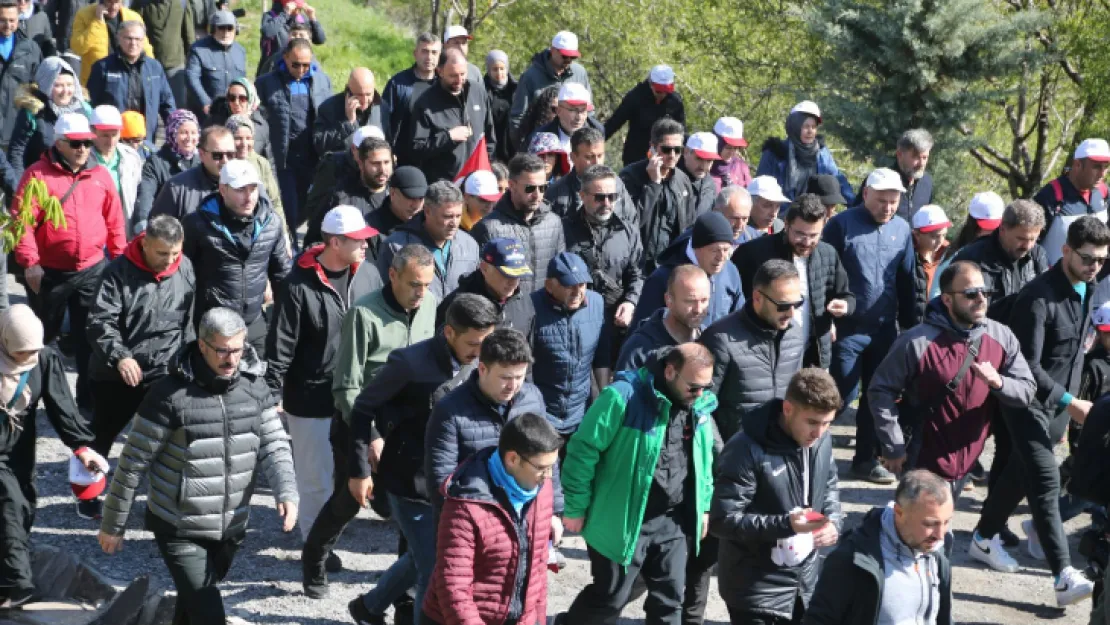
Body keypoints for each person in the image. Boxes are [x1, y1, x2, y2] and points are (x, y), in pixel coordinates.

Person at [97, 307, 299, 625]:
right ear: (202, 345)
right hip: (178, 526)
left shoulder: (254, 387)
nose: (231, 359)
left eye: (237, 349)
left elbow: (274, 443)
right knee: (208, 613)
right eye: (222, 350)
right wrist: (113, 523)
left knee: (192, 609)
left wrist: (286, 490)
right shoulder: (168, 395)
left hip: (231, 526)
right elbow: (133, 462)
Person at [969, 216, 1108, 606]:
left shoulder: (1088, 287)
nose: (1094, 266)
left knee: (1017, 473)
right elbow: (1028, 366)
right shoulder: (1038, 298)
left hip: (1058, 406)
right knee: (1046, 481)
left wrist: (1066, 410)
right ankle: (1064, 575)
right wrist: (1070, 402)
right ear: (1065, 251)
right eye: (1086, 258)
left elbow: (1074, 355)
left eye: (1100, 259)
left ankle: (982, 538)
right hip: (1023, 399)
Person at [344, 294, 498, 625]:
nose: (480, 352)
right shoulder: (410, 363)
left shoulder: (484, 358)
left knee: (423, 555)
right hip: (409, 482)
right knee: (436, 571)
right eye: (473, 343)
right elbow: (361, 407)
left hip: (456, 481)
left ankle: (369, 607)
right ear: (449, 333)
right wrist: (360, 468)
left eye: (486, 342)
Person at [300, 243, 438, 598]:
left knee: (411, 507)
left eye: (427, 284)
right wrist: (372, 434)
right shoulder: (363, 315)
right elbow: (346, 387)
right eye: (413, 285)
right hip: (362, 424)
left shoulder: (432, 306)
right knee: (348, 502)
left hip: (408, 430)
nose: (421, 293)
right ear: (393, 276)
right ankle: (314, 559)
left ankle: (407, 592)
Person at [869, 261, 1034, 544]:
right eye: (970, 293)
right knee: (917, 537)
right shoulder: (917, 342)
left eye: (985, 292)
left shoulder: (1001, 336)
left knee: (938, 534)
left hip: (966, 462)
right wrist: (892, 445)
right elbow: (880, 391)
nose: (981, 299)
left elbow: (1027, 390)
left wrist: (999, 383)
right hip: (922, 460)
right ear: (947, 299)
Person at [560, 343, 717, 625]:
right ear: (670, 371)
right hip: (623, 519)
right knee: (610, 598)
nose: (701, 394)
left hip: (673, 521)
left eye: (706, 386)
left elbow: (703, 462)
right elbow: (582, 451)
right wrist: (575, 505)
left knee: (670, 602)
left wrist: (704, 506)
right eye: (694, 387)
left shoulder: (699, 405)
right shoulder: (621, 398)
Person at [265, 205, 377, 551]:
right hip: (310, 399)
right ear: (334, 242)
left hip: (356, 394)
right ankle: (315, 545)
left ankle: (332, 529)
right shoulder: (297, 285)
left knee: (348, 469)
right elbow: (281, 344)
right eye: (358, 240)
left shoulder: (369, 274)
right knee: (314, 479)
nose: (366, 245)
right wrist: (270, 396)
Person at [711, 368, 843, 625]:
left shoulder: (821, 440)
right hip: (755, 592)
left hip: (804, 582)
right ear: (788, 409)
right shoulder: (745, 449)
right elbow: (722, 520)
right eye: (812, 422)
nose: (819, 433)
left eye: (827, 423)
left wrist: (834, 522)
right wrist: (787, 525)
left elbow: (829, 484)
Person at [13, 112, 126, 409]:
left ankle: (86, 404)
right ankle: (27, 399)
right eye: (75, 143)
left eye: (87, 143)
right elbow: (21, 222)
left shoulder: (100, 175)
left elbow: (114, 221)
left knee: (89, 339)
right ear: (59, 143)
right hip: (49, 273)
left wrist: (120, 261)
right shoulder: (37, 174)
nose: (83, 149)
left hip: (92, 268)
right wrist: (30, 262)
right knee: (39, 338)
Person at [84, 215, 193, 519]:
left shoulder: (185, 267)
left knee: (169, 441)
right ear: (144, 243)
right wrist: (120, 356)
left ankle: (162, 504)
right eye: (162, 254)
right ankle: (88, 493)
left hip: (164, 372)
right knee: (102, 437)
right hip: (116, 374)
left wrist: (188, 360)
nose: (169, 261)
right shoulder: (116, 273)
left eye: (175, 253)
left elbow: (188, 320)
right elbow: (99, 322)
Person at [0, 305, 106, 608]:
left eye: (31, 350)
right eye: (20, 352)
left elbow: (62, 407)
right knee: (9, 505)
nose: (26, 358)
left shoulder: (43, 359)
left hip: (20, 448)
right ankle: (18, 585)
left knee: (23, 508)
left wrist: (82, 447)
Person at [951, 198, 1049, 511]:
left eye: (1033, 238)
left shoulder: (1037, 257)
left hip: (1018, 362)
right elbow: (964, 312)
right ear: (1002, 229)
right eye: (1021, 238)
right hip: (977, 358)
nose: (1028, 245)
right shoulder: (972, 260)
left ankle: (994, 517)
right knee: (965, 437)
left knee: (1009, 443)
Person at [420, 413, 561, 625]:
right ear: (513, 459)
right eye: (542, 468)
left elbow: (537, 568)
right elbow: (454, 586)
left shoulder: (541, 489)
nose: (548, 476)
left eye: (552, 467)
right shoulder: (465, 503)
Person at [822, 167, 916, 484]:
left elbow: (907, 281)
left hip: (884, 329)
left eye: (893, 202)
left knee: (877, 398)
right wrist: (825, 318)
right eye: (881, 201)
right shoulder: (840, 225)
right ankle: (812, 455)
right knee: (839, 396)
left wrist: (913, 327)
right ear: (866, 195)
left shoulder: (902, 230)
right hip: (846, 328)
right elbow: (824, 273)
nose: (887, 208)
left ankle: (865, 460)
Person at [424, 328, 552, 513]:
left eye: (519, 377)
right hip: (473, 518)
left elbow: (546, 458)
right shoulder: (450, 410)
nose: (513, 386)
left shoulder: (532, 398)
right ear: (482, 369)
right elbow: (441, 480)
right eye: (505, 377)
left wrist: (553, 510)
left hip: (525, 513)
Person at [803, 470, 954, 625]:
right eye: (929, 524)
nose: (940, 535)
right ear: (899, 513)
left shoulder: (936, 551)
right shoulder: (852, 560)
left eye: (946, 522)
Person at [180, 159, 291, 354]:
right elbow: (181, 280)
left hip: (254, 322)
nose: (249, 197)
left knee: (260, 381)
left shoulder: (271, 223)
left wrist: (286, 325)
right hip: (214, 326)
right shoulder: (197, 224)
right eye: (241, 190)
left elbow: (282, 274)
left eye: (253, 189)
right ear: (223, 190)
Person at [732, 193, 854, 369]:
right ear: (786, 224)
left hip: (813, 356)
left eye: (814, 235)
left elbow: (846, 295)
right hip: (764, 354)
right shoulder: (754, 253)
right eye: (800, 234)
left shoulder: (828, 254)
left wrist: (844, 306)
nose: (806, 242)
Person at [700, 259, 805, 440]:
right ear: (757, 297)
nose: (791, 313)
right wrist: (723, 454)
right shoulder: (720, 339)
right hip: (737, 454)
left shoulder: (795, 334)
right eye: (783, 306)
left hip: (781, 449)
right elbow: (702, 407)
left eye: (797, 304)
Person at [563, 164, 644, 360]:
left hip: (615, 323)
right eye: (599, 197)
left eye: (612, 196)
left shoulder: (628, 232)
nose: (607, 203)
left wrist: (631, 302)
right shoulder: (563, 229)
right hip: (574, 322)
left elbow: (638, 273)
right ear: (582, 195)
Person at [255, 38, 332, 231]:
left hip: (311, 155)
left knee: (308, 205)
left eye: (306, 65)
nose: (300, 69)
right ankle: (291, 247)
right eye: (295, 64)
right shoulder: (266, 83)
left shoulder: (322, 81)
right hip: (283, 157)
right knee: (288, 205)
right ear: (285, 57)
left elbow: (328, 114)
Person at [531, 252, 606, 436]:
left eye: (582, 285)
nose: (577, 292)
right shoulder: (531, 307)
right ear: (549, 285)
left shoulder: (596, 303)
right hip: (543, 416)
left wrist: (604, 398)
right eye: (568, 285)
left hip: (581, 414)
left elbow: (602, 355)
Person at [471, 153, 565, 296]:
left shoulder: (554, 222)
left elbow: (560, 271)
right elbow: (477, 279)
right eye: (530, 188)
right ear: (512, 185)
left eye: (543, 188)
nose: (537, 195)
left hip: (544, 311)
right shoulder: (488, 227)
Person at [633, 211, 744, 330]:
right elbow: (641, 332)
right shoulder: (663, 279)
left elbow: (739, 319)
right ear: (696, 248)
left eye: (726, 250)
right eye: (714, 250)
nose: (721, 257)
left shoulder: (730, 271)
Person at [378, 180, 478, 301]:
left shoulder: (470, 245)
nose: (454, 223)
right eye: (447, 216)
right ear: (427, 211)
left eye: (458, 216)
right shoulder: (396, 246)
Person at [410, 48, 496, 183]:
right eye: (453, 76)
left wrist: (487, 166)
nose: (459, 80)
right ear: (440, 72)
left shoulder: (477, 91)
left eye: (463, 74)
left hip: (476, 181)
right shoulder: (425, 103)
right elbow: (417, 149)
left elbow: (489, 136)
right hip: (444, 185)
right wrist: (448, 137)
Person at [621, 118, 695, 271]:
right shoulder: (630, 177)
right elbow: (630, 222)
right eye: (667, 149)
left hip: (669, 266)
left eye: (678, 149)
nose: (673, 155)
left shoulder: (683, 181)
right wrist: (653, 184)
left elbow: (688, 226)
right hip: (636, 265)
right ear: (653, 148)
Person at [86, 21, 175, 147]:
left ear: (144, 40)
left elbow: (167, 103)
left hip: (145, 141)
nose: (133, 43)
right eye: (129, 38)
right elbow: (91, 105)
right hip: (114, 141)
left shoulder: (154, 67)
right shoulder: (102, 67)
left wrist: (175, 128)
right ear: (119, 38)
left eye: (138, 39)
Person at [301, 128, 391, 246]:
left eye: (386, 162)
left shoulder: (396, 193)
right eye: (375, 163)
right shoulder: (339, 192)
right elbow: (316, 234)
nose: (382, 169)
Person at [756, 101, 853, 205]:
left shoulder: (822, 154)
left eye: (814, 127)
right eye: (806, 126)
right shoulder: (775, 153)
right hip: (780, 214)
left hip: (814, 213)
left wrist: (855, 205)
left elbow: (838, 181)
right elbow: (760, 189)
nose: (810, 131)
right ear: (794, 127)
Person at [436, 238, 536, 338]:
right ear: (484, 268)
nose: (513, 282)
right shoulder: (457, 306)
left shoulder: (525, 302)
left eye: (518, 275)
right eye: (506, 275)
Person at [616, 264, 709, 372]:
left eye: (704, 300)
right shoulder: (640, 347)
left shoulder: (709, 340)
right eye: (690, 301)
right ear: (669, 300)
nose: (698, 309)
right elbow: (622, 387)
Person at [9, 56, 90, 180]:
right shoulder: (33, 111)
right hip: (40, 182)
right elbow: (17, 151)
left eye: (70, 85)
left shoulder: (83, 110)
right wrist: (21, 186)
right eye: (58, 85)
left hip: (74, 184)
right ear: (45, 84)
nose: (66, 91)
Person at [1033, 138, 1110, 266]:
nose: (1102, 173)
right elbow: (1029, 243)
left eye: (1106, 167)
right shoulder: (1049, 196)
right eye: (1096, 166)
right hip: (1054, 281)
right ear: (1077, 165)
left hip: (1093, 281)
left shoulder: (1104, 192)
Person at [509, 30, 590, 145]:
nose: (568, 61)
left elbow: (589, 111)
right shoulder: (530, 76)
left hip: (574, 143)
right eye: (565, 56)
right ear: (552, 50)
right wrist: (522, 147)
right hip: (540, 144)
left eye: (572, 57)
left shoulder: (580, 73)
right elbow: (518, 117)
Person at [546, 126, 636, 226]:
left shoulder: (617, 184)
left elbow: (632, 223)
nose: (596, 162)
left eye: (600, 155)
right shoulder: (556, 193)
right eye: (589, 157)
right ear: (573, 157)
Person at [149, 124, 239, 220]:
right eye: (217, 155)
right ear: (201, 154)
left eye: (230, 154)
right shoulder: (177, 188)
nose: (225, 160)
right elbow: (158, 230)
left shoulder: (246, 185)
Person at [605, 64, 685, 168]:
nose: (662, 95)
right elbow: (614, 123)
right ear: (650, 84)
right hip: (636, 156)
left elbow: (682, 131)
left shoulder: (675, 101)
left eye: (666, 91)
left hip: (665, 156)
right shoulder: (635, 97)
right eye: (659, 91)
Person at [930, 191, 1007, 299]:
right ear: (973, 223)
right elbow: (936, 292)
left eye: (995, 226)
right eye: (985, 226)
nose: (991, 232)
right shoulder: (957, 253)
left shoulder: (1006, 252)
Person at [133, 108, 197, 232]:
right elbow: (146, 195)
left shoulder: (202, 161)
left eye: (193, 132)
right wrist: (143, 226)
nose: (189, 138)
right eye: (184, 132)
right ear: (172, 133)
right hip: (167, 231)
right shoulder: (156, 163)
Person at [380, 32, 439, 163]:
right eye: (424, 51)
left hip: (437, 160)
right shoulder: (398, 83)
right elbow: (383, 122)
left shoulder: (444, 85)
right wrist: (387, 152)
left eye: (434, 52)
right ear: (415, 53)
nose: (429, 57)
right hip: (403, 158)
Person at [226, 114, 286, 241]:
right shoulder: (222, 164)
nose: (244, 143)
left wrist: (284, 234)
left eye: (248, 138)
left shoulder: (261, 163)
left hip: (262, 232)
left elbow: (275, 202)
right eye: (238, 138)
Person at [89, 105, 143, 237]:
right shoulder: (83, 159)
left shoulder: (131, 157)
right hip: (94, 231)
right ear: (92, 132)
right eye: (105, 136)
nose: (111, 141)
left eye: (115, 135)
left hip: (123, 230)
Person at [69, 0, 147, 86]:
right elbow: (78, 48)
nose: (113, 7)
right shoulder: (84, 15)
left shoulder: (133, 17)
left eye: (116, 2)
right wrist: (97, 22)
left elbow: (145, 48)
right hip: (96, 81)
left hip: (127, 80)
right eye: (109, 2)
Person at [132, 0, 193, 110]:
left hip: (175, 66)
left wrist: (192, 62)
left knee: (178, 106)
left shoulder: (182, 3)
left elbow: (188, 35)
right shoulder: (141, 4)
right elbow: (134, 32)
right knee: (148, 106)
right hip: (149, 66)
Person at [185, 11, 245, 117]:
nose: (226, 33)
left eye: (230, 28)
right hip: (206, 114)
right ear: (213, 30)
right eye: (221, 28)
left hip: (233, 112)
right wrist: (205, 102)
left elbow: (243, 82)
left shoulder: (240, 51)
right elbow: (192, 78)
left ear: (236, 30)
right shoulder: (198, 49)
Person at [313, 66, 381, 156]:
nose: (364, 100)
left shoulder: (381, 107)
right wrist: (348, 124)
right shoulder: (329, 108)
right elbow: (319, 145)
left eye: (368, 94)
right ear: (349, 91)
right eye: (359, 95)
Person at [203, 77, 272, 162]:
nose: (236, 102)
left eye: (242, 98)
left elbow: (269, 160)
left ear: (250, 98)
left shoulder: (261, 125)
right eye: (232, 98)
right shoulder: (214, 124)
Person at [0, 0, 39, 148]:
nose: (8, 25)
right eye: (2, 20)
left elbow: (37, 87)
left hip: (16, 130)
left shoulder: (30, 49)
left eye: (12, 20)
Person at [530, 82, 602, 153]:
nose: (579, 117)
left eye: (583, 111)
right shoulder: (540, 137)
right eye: (573, 110)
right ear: (558, 111)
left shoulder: (597, 134)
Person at [257, 0, 324, 76]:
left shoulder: (302, 19)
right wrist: (285, 14)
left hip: (300, 66)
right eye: (296, 7)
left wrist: (312, 18)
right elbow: (267, 32)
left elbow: (320, 40)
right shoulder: (270, 16)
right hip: (274, 68)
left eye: (300, 7)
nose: (298, 10)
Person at [910, 205, 952, 321]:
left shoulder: (949, 253)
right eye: (934, 236)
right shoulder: (908, 257)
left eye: (943, 235)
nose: (940, 241)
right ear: (917, 234)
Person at [891, 129, 934, 222]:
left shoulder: (926, 182)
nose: (921, 163)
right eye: (916, 157)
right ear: (899, 154)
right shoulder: (882, 182)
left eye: (925, 157)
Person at [679, 131, 720, 217]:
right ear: (686, 152)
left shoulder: (710, 184)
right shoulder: (672, 179)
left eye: (709, 160)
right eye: (699, 158)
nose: (703, 165)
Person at [485, 49, 516, 163]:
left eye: (502, 69)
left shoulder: (516, 89)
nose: (499, 73)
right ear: (489, 70)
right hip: (492, 145)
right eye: (495, 69)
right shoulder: (483, 90)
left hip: (512, 145)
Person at [710, 116, 751, 192]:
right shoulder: (704, 167)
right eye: (728, 148)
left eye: (736, 148)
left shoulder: (741, 166)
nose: (732, 152)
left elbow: (750, 193)